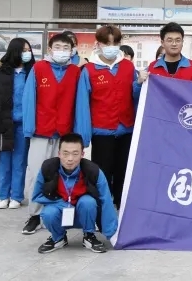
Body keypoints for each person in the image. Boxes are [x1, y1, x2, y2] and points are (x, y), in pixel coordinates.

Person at [73, 25, 142, 211]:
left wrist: (138, 83)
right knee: (102, 172)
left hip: (126, 128)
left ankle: (122, 204)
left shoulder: (128, 66)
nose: (111, 47)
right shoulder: (89, 70)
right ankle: (102, 207)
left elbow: (135, 95)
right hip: (102, 130)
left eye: (115, 43)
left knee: (124, 171)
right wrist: (83, 136)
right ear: (99, 44)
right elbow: (83, 104)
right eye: (107, 43)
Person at [20, 32, 82, 235]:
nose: (62, 51)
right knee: (37, 172)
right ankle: (35, 215)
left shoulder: (76, 72)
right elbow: (29, 98)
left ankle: (57, 213)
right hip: (41, 130)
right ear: (49, 49)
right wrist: (29, 128)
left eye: (66, 48)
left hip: (65, 133)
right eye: (58, 47)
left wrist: (80, 134)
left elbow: (80, 103)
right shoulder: (39, 68)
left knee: (64, 174)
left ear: (72, 51)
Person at [32, 133, 118, 254]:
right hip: (60, 213)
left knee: (88, 202)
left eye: (75, 154)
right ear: (59, 154)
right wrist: (62, 203)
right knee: (48, 213)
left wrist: (112, 234)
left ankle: (89, 235)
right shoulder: (48, 168)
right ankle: (58, 238)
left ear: (82, 154)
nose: (70, 159)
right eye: (65, 153)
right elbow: (37, 195)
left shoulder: (93, 171)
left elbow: (106, 201)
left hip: (84, 214)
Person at [0, 37, 34, 210]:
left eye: (29, 50)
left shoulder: (32, 71)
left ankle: (17, 196)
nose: (27, 53)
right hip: (3, 124)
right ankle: (3, 196)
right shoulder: (0, 70)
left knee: (20, 161)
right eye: (23, 50)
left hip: (24, 125)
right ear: (14, 51)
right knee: (3, 160)